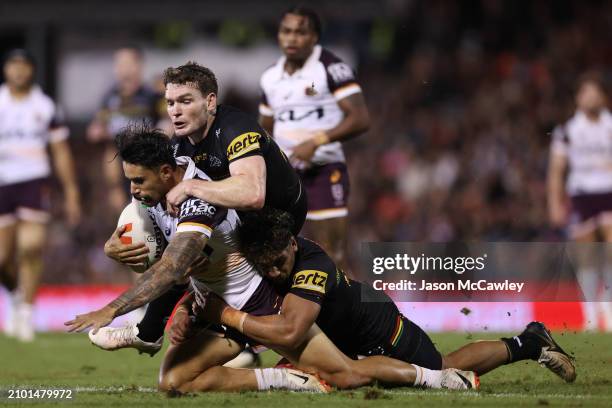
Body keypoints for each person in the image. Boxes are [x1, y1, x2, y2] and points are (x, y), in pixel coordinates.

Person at [65, 128, 477, 393]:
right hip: (218, 305)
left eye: (139, 181)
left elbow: (173, 266)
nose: (134, 191)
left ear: (167, 171)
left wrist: (111, 309)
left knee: (347, 375)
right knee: (173, 381)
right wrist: (109, 248)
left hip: (260, 304)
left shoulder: (199, 199)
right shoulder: (153, 192)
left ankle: (437, 378)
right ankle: (288, 379)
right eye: (130, 182)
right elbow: (137, 235)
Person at [199, 208, 577, 384]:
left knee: (441, 368)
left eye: (279, 263)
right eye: (265, 266)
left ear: (293, 245)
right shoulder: (270, 255)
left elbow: (292, 329)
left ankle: (528, 342)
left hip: (376, 324)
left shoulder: (312, 266)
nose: (274, 272)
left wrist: (228, 317)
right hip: (341, 334)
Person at [100, 61, 307, 362]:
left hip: (277, 222)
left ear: (210, 102)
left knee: (188, 258)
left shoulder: (235, 130)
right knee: (183, 251)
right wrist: (116, 241)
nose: (175, 111)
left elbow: (253, 194)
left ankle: (181, 332)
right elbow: (152, 191)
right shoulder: (178, 146)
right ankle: (157, 331)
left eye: (185, 101)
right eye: (170, 103)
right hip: (237, 225)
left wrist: (192, 187)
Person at [258, 7, 370, 272]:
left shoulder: (331, 68)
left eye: (300, 32)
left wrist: (317, 141)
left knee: (331, 252)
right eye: (286, 31)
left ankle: (344, 311)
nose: (292, 38)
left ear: (314, 37)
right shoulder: (270, 77)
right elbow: (265, 129)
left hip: (324, 172)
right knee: (274, 249)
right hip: (285, 176)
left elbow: (360, 119)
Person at [0, 49, 81, 342]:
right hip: (2, 183)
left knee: (31, 246)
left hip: (34, 181)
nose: (18, 71)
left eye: (23, 65)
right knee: (2, 257)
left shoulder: (44, 106)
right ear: (6, 69)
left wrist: (71, 192)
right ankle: (17, 295)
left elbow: (60, 151)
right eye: (13, 65)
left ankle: (25, 312)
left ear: (31, 70)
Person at [548, 73, 612, 331]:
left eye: (596, 93)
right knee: (586, 255)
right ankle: (590, 312)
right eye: (586, 92)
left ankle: (608, 308)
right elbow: (556, 170)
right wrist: (554, 203)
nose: (591, 97)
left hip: (608, 191)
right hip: (581, 194)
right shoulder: (567, 132)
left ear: (604, 97)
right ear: (578, 97)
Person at [87, 46, 168, 215]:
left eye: (127, 63)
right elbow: (94, 129)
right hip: (117, 166)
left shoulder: (152, 95)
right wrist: (101, 131)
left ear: (138, 65)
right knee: (122, 215)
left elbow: (169, 125)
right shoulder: (109, 97)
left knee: (147, 214)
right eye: (119, 63)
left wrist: (147, 134)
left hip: (146, 164)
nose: (122, 68)